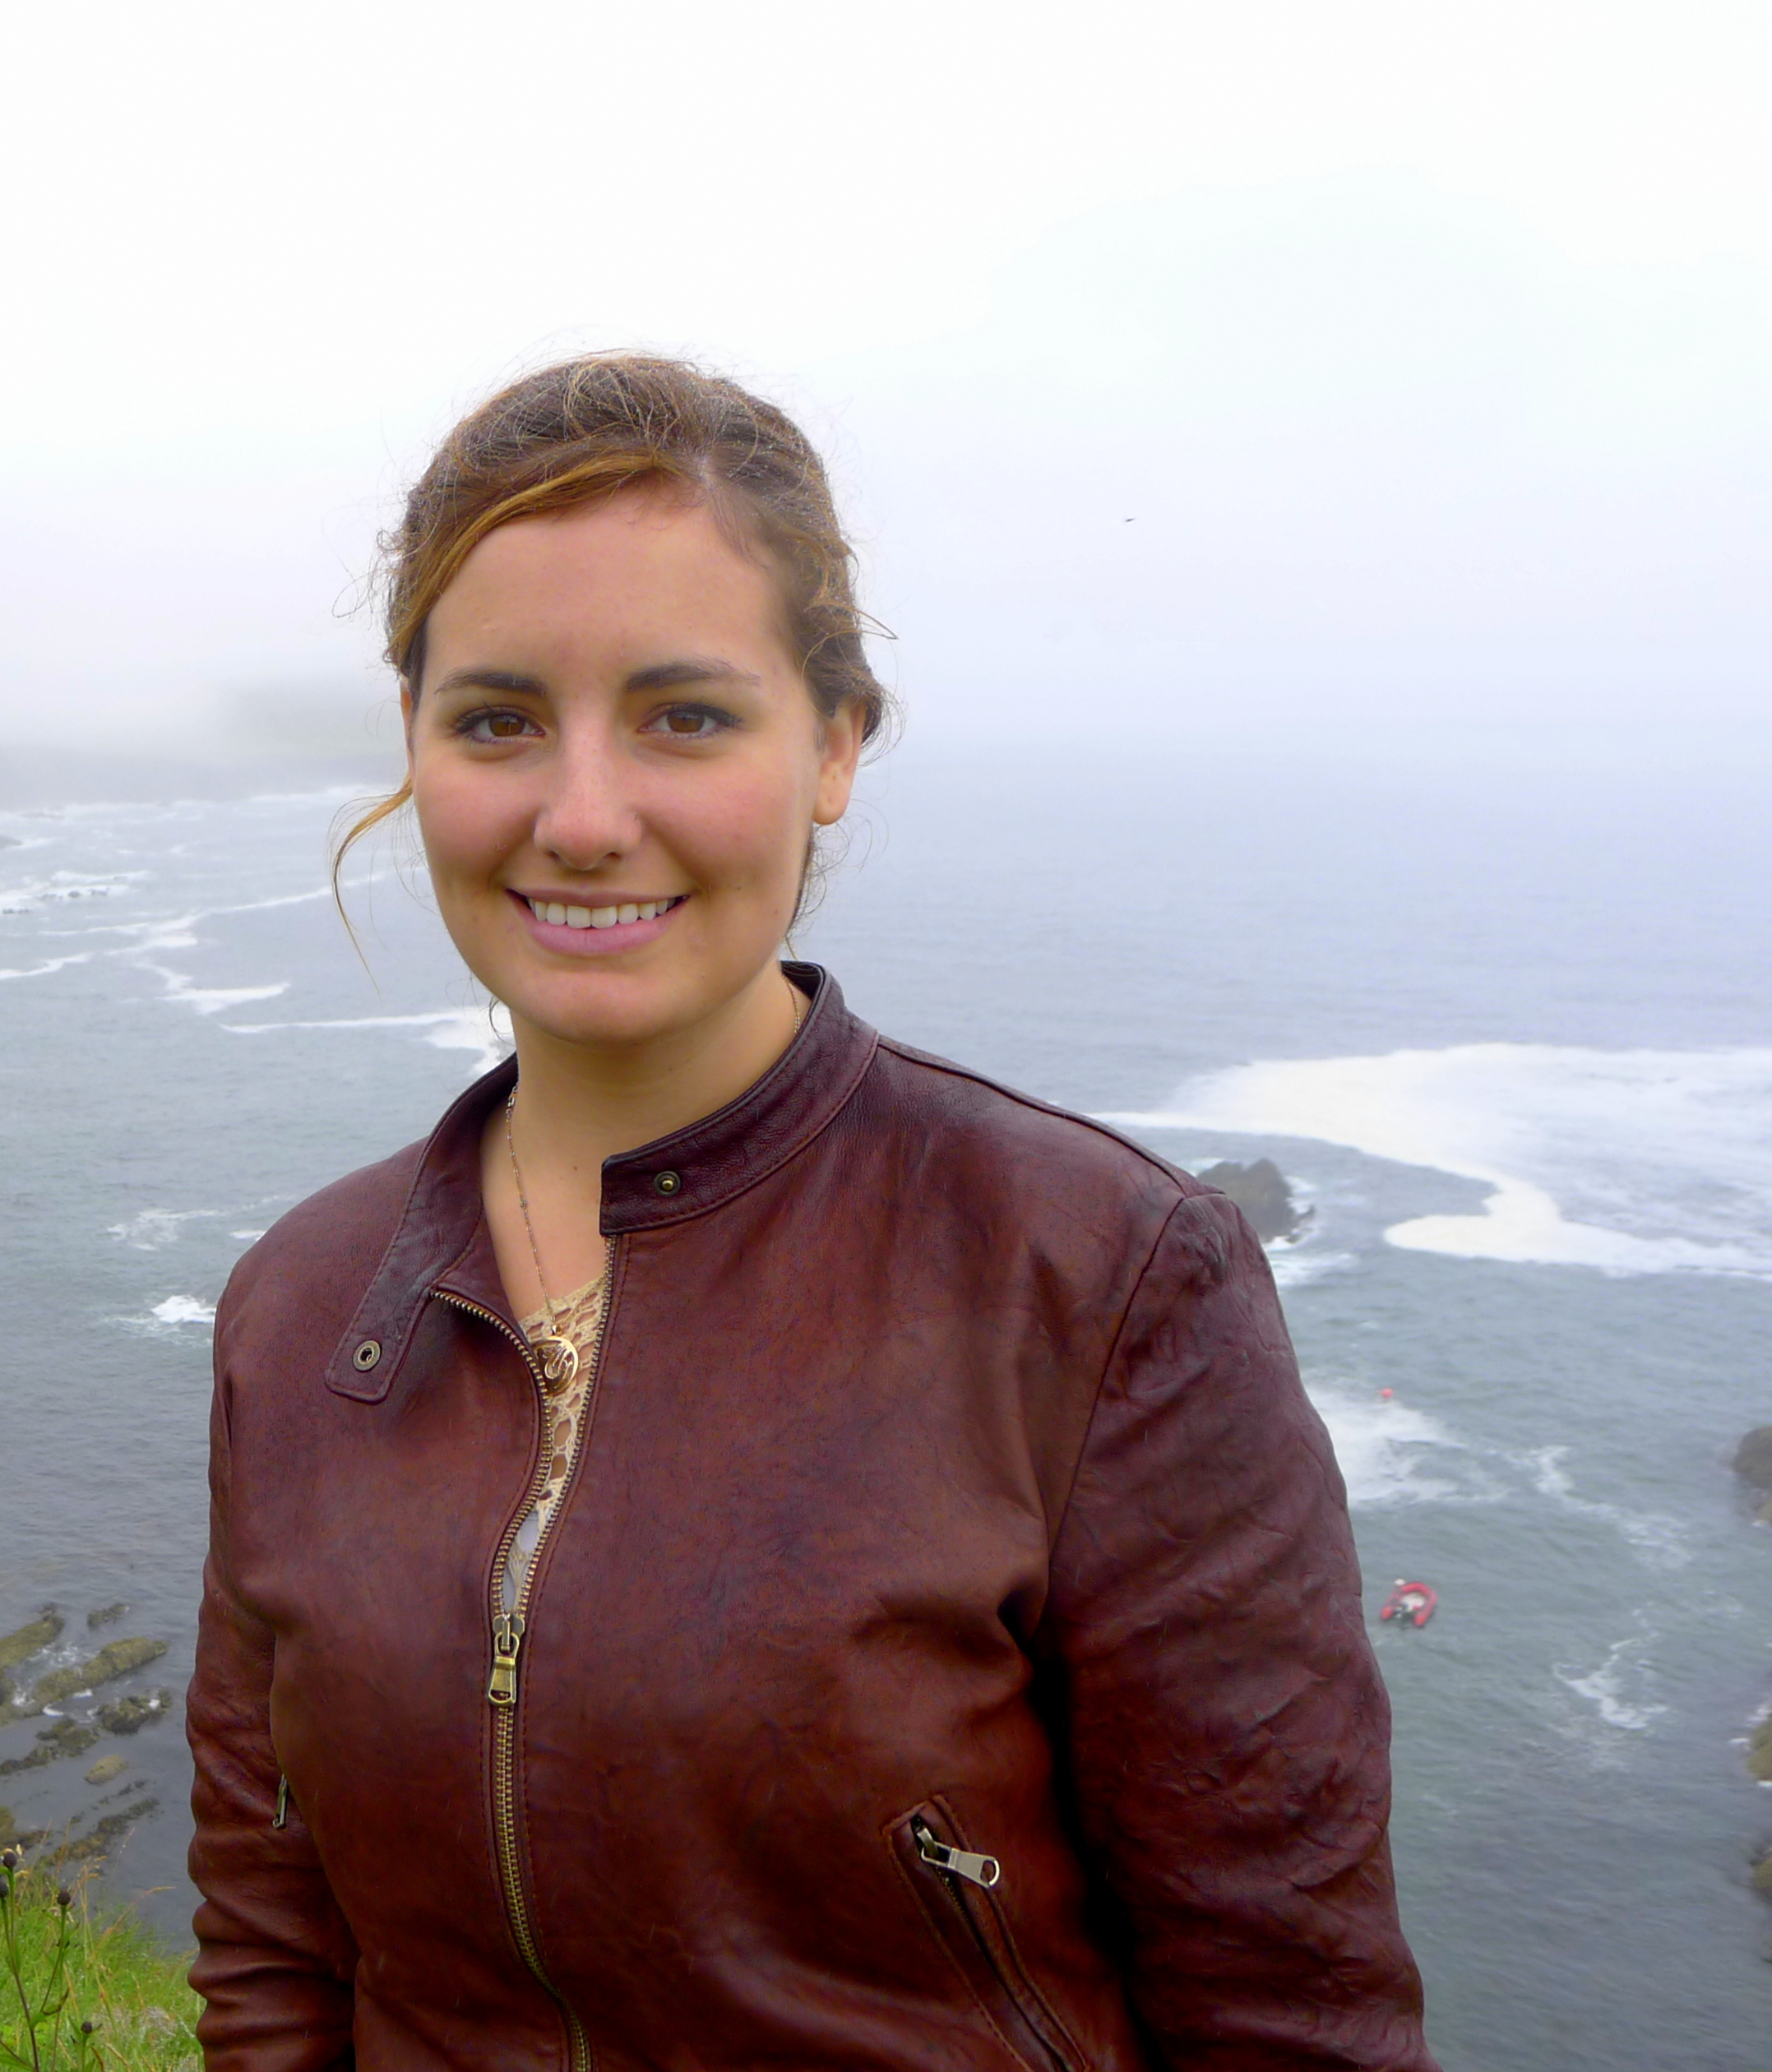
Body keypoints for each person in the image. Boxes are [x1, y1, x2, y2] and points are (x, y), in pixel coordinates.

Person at [184, 354, 1435, 2070]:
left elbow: (1287, 2012)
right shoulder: (301, 1303)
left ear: (834, 743)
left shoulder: (1095, 1280)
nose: (583, 815)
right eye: (495, 720)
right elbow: (272, 1941)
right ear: (415, 742)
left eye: (685, 714)